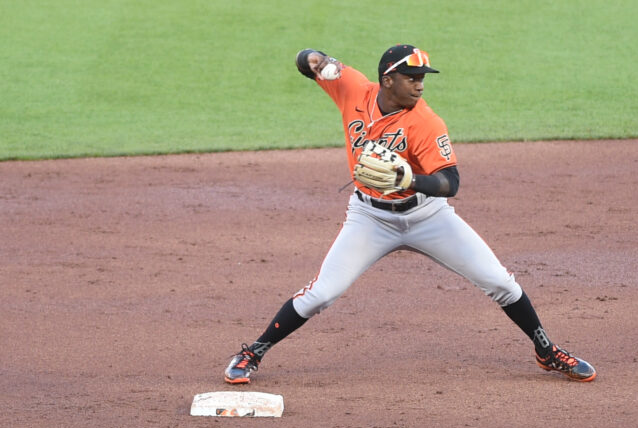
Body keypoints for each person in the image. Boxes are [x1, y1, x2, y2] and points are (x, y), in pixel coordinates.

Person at [224, 44, 596, 384]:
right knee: (320, 294)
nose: (420, 86)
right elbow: (307, 58)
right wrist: (317, 62)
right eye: (412, 78)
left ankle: (546, 351)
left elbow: (451, 183)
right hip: (369, 218)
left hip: (428, 217)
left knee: (500, 282)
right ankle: (251, 353)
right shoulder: (352, 87)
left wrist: (409, 178)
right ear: (387, 80)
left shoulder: (426, 122)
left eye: (422, 79)